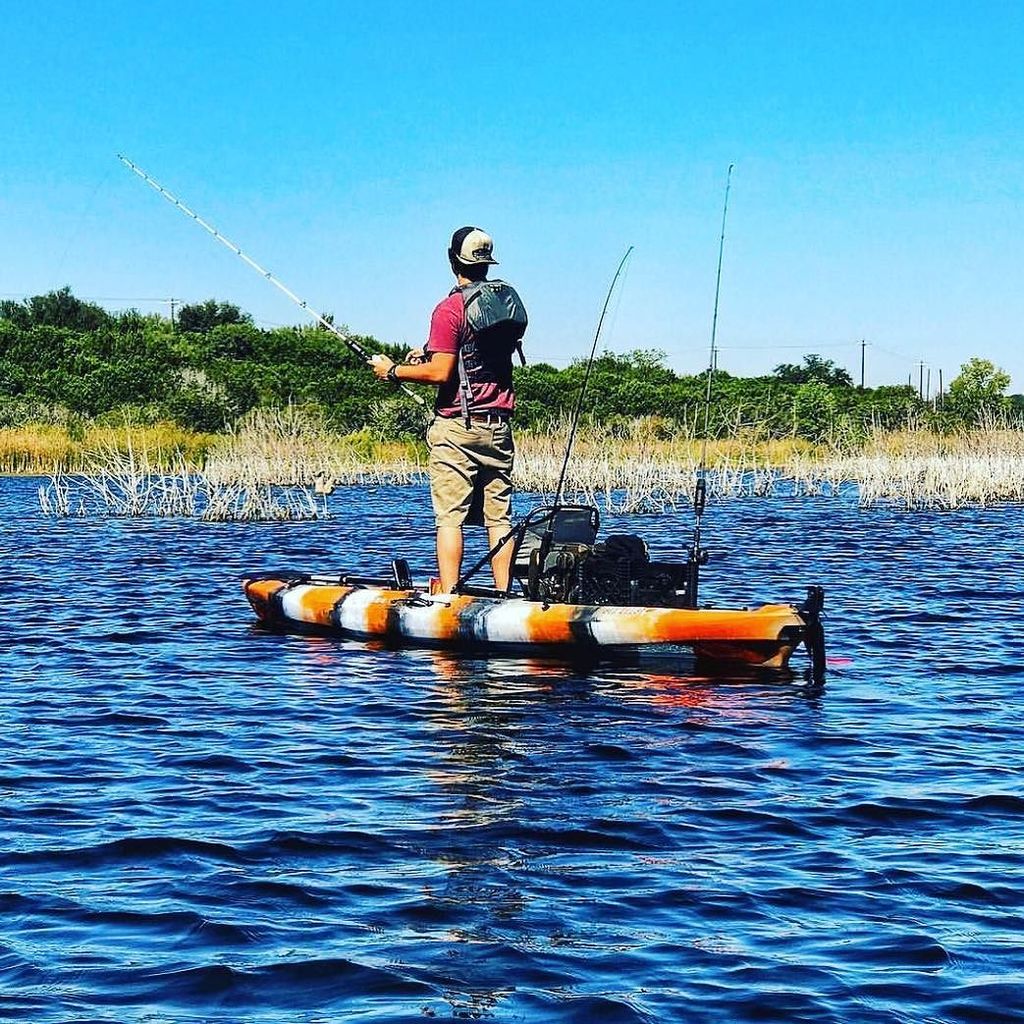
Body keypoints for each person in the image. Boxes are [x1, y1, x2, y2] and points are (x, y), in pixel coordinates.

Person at [371, 226, 526, 594]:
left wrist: (392, 371)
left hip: (458, 428)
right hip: (499, 427)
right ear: (487, 262)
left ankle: (451, 596)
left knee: (450, 519)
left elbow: (441, 372)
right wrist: (427, 350)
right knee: (498, 519)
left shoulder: (449, 308)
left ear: (452, 258)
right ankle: (504, 594)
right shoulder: (506, 305)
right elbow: (475, 349)